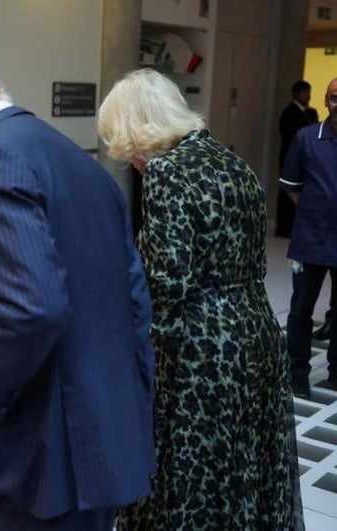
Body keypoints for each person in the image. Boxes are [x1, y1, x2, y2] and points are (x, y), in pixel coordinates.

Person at [0, 50, 156, 530]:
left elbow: (35, 308)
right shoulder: (83, 163)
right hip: (108, 424)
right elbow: (134, 296)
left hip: (44, 440)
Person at [98, 68, 303, 530]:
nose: (131, 162)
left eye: (127, 149)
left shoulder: (167, 172)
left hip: (201, 352)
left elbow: (167, 286)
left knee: (190, 480)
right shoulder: (233, 162)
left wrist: (138, 366)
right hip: (255, 335)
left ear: (140, 131)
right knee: (242, 471)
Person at [280, 77, 337, 397]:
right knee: (301, 309)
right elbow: (291, 186)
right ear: (326, 101)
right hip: (310, 239)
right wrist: (318, 213)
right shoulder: (306, 138)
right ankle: (297, 372)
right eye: (334, 98)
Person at [276, 80, 319, 238]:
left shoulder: (311, 112)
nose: (308, 96)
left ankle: (297, 226)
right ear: (296, 94)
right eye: (304, 93)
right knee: (287, 190)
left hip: (307, 158)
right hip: (290, 156)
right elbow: (289, 136)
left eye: (309, 93)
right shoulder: (289, 112)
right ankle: (283, 227)